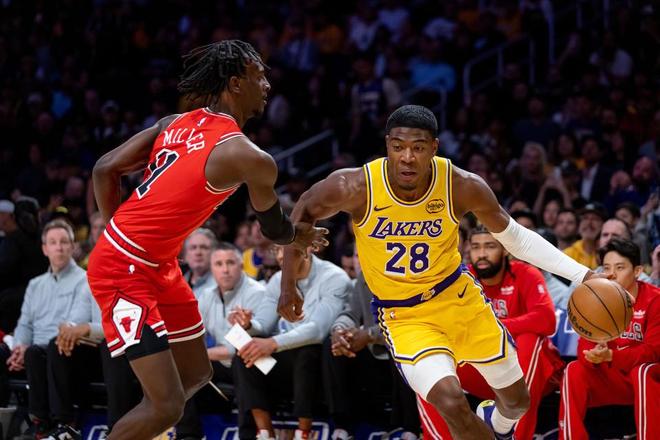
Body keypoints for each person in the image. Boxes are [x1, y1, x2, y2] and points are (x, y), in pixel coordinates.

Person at [279, 105, 601, 440]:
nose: (407, 157)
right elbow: (302, 212)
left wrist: (583, 275)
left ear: (434, 147)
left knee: (518, 402)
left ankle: (497, 424)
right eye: (398, 147)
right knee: (451, 402)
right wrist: (289, 285)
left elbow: (516, 238)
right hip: (405, 316)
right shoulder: (355, 186)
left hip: (459, 300)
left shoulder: (461, 185)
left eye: (418, 148)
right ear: (387, 144)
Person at [86, 40, 327, 439]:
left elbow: (103, 169)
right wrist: (298, 234)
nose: (267, 84)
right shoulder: (249, 156)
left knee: (197, 373)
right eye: (259, 76)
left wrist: (119, 231)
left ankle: (144, 424)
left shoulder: (174, 123)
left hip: (157, 263)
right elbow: (274, 230)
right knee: (166, 407)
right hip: (123, 267)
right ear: (235, 83)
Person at [417, 227, 564, 440]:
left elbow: (546, 320)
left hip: (529, 372)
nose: (482, 254)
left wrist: (493, 326)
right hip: (481, 367)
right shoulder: (460, 278)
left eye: (490, 246)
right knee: (425, 360)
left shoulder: (526, 273)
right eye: (476, 247)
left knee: (530, 340)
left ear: (505, 250)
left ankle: (517, 437)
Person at [234, 246, 350, 440]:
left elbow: (317, 330)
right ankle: (265, 433)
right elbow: (263, 324)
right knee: (246, 352)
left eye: (286, 249)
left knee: (307, 351)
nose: (280, 256)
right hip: (286, 365)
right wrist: (248, 325)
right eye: (277, 250)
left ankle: (303, 432)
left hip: (322, 367)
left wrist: (272, 343)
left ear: (307, 249)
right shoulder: (277, 280)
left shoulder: (334, 278)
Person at [559, 239, 660, 439]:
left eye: (620, 267)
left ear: (638, 271)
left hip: (646, 380)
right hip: (614, 378)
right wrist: (594, 355)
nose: (612, 274)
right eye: (606, 268)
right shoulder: (595, 298)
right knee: (574, 369)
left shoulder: (655, 300)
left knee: (642, 372)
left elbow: (653, 352)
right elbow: (583, 349)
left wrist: (612, 356)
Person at [6, 220, 88, 437]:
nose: (59, 247)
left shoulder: (85, 280)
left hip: (69, 350)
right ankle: (36, 422)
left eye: (64, 242)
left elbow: (76, 322)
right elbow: (24, 324)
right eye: (53, 242)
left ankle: (64, 423)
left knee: (47, 349)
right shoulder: (35, 285)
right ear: (45, 249)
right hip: (36, 352)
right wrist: (19, 347)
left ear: (72, 246)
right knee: (22, 352)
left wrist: (30, 348)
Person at [176, 242, 264, 440]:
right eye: (219, 264)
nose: (225, 270)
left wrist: (200, 355)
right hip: (221, 365)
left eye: (230, 263)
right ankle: (188, 436)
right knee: (182, 367)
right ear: (212, 268)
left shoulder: (257, 293)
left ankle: (248, 436)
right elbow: (192, 336)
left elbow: (239, 348)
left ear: (241, 265)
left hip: (254, 363)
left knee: (242, 361)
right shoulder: (206, 296)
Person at [563, 202, 606, 269]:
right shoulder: (568, 254)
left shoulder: (607, 254)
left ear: (604, 224)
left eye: (595, 219)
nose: (589, 223)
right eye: (585, 218)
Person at [182, 228, 218, 297]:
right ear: (186, 255)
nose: (198, 252)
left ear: (214, 252)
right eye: (193, 248)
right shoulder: (177, 282)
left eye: (204, 247)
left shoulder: (222, 284)